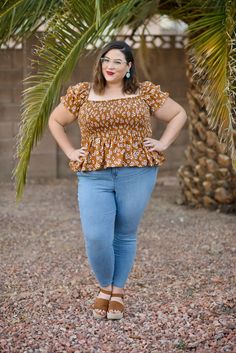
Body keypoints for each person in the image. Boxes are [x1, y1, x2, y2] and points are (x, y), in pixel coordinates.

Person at [48, 40, 187, 320]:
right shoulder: (82, 94)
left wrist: (163, 143)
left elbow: (179, 114)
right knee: (97, 236)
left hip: (137, 170)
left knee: (124, 233)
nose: (110, 66)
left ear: (128, 67)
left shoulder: (144, 92)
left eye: (117, 62)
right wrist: (71, 151)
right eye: (106, 60)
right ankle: (105, 286)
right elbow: (54, 121)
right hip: (94, 173)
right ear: (100, 63)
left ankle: (117, 291)